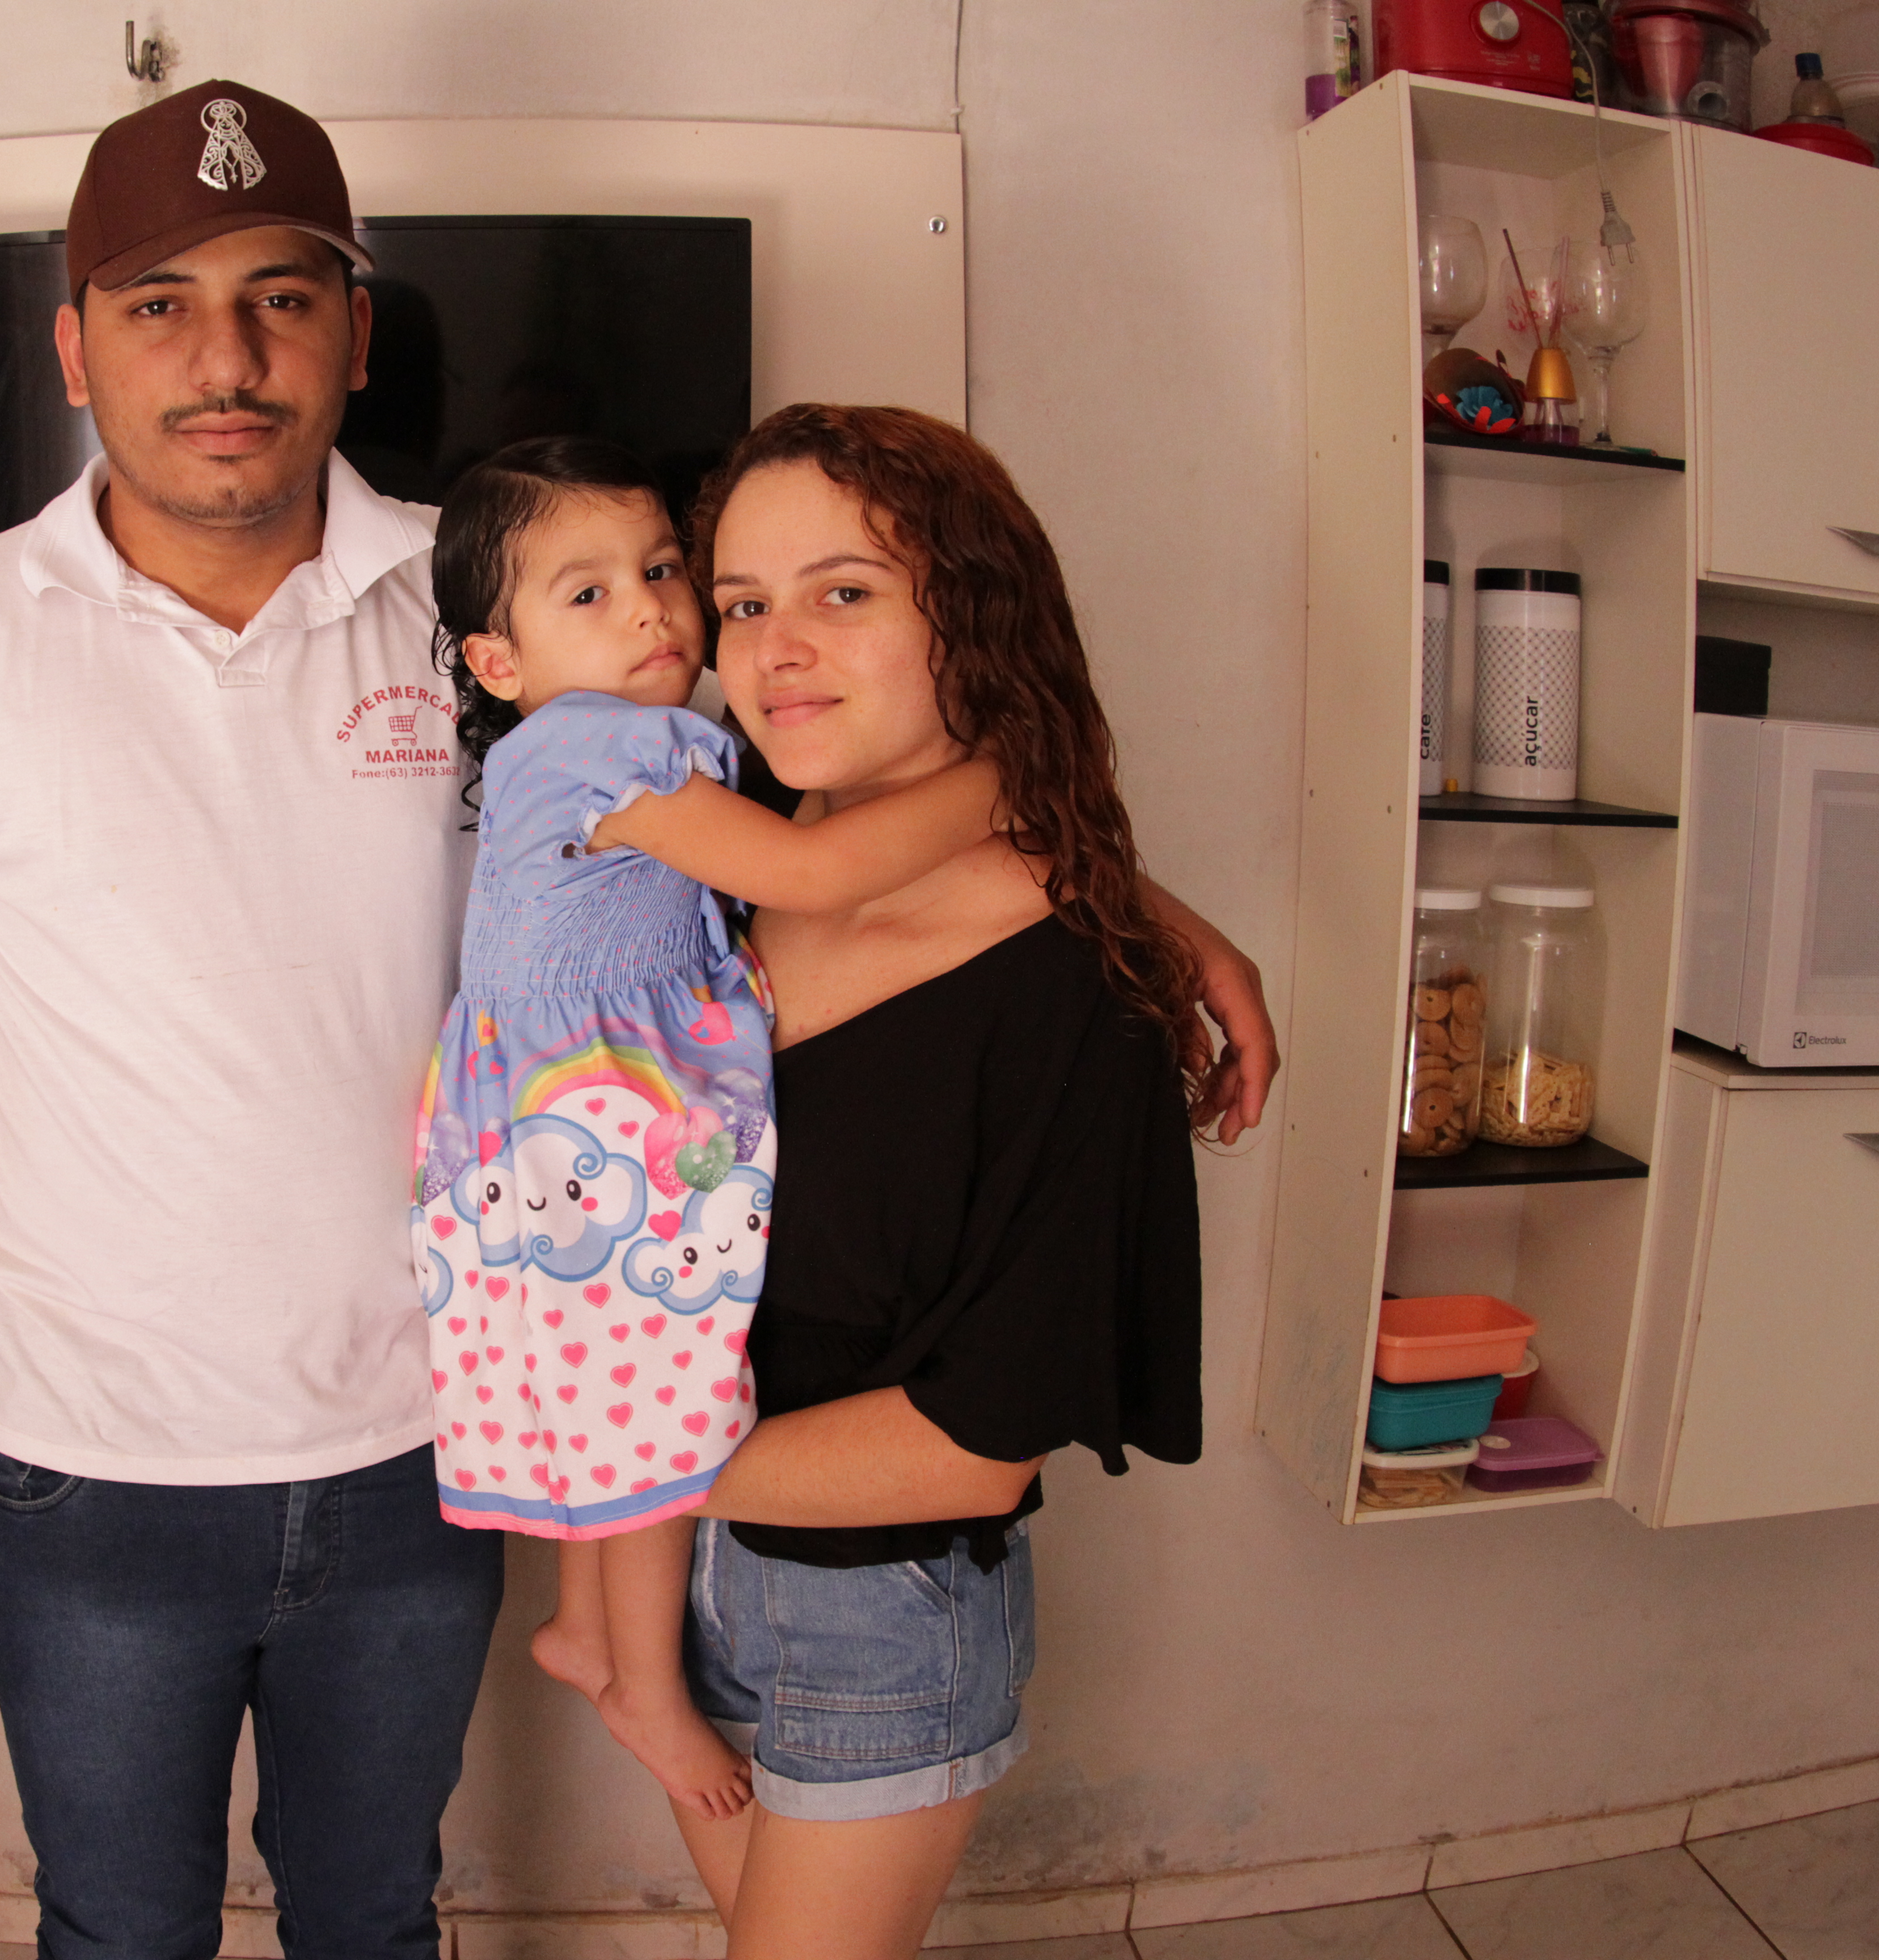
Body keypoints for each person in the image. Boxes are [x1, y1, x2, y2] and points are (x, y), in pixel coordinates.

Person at [0, 78, 1273, 1960]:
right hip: (87, 1469)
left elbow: (826, 778)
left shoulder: (497, 595)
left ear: (355, 335)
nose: (226, 358)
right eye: (160, 304)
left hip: (422, 1444)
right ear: (76, 348)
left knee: (374, 1918)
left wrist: (1133, 904)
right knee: (116, 1929)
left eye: (280, 298)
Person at [662, 404, 1211, 1960]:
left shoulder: (1075, 986)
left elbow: (977, 1444)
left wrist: (607, 1463)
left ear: (973, 614)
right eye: (744, 603)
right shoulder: (727, 873)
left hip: (878, 1611)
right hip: (695, 1578)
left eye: (843, 593)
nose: (776, 650)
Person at [413, 436, 998, 1822]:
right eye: (591, 594)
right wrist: (1008, 782)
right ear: (498, 660)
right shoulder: (605, 749)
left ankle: (582, 1625)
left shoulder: (576, 752)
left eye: (663, 570)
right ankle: (643, 1684)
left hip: (546, 1131)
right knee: (662, 1404)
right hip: (594, 1134)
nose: (652, 612)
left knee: (599, 1384)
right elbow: (810, 869)